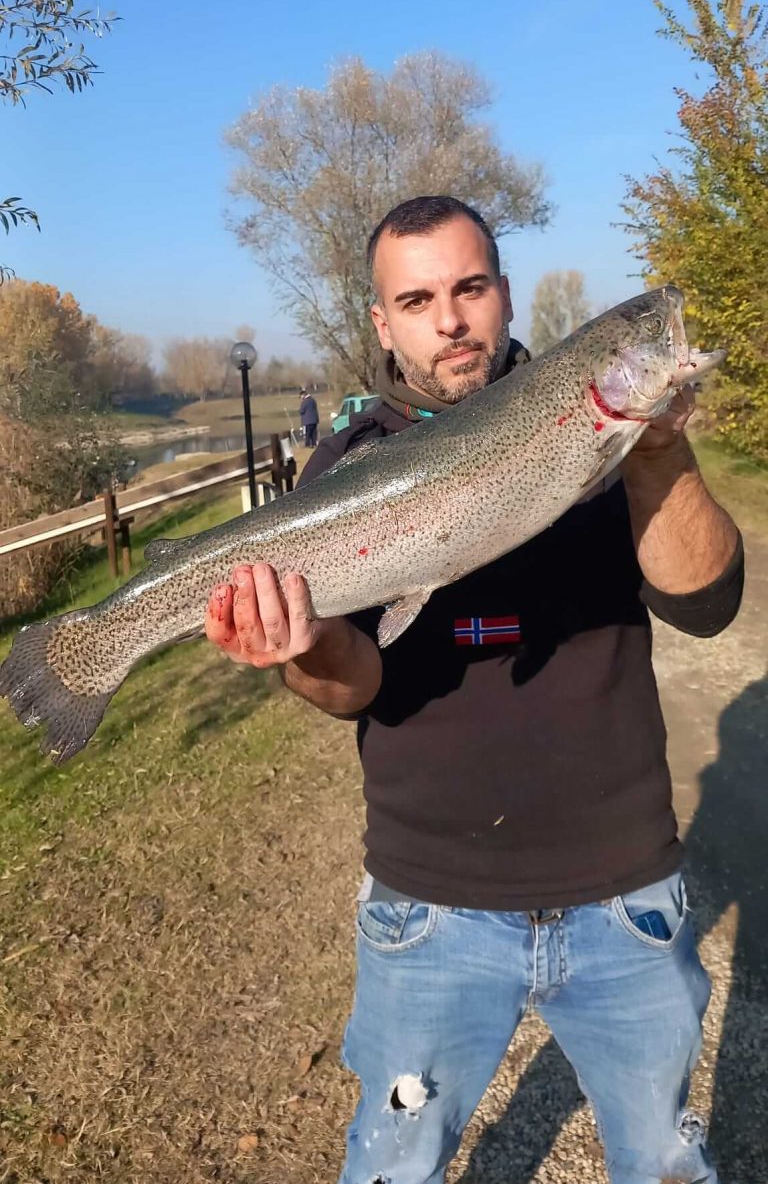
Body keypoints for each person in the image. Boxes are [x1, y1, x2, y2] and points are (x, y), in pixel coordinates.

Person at [204, 196, 744, 1184]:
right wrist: (304, 643)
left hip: (626, 894)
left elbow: (708, 605)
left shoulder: (600, 429)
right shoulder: (343, 464)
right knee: (395, 1162)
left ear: (501, 291)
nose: (449, 319)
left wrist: (659, 451)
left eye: (469, 287)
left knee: (665, 1158)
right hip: (430, 908)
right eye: (417, 299)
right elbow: (356, 688)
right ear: (382, 322)